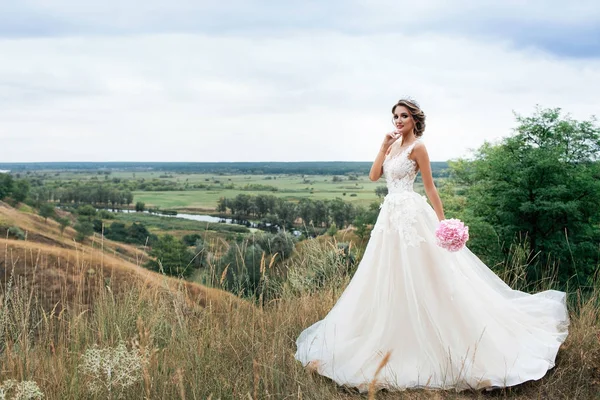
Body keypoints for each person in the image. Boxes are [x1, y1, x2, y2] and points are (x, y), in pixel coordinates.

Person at [294, 98, 569, 393]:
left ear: (414, 119)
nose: (398, 121)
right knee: (387, 275)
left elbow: (429, 186)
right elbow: (375, 176)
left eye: (403, 116)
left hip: (412, 216)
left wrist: (443, 224)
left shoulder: (418, 148)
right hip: (390, 218)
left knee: (425, 275)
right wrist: (382, 145)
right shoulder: (391, 145)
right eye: (395, 117)